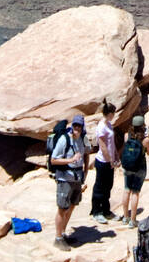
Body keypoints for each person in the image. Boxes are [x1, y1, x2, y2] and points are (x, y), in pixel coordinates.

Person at [51, 115, 90, 250]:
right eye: (75, 126)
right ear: (72, 126)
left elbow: (86, 153)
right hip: (64, 178)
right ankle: (58, 238)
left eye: (79, 126)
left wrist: (86, 170)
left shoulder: (82, 138)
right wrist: (70, 160)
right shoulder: (64, 139)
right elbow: (54, 160)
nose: (77, 128)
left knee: (72, 205)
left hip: (76, 178)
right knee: (62, 208)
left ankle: (63, 233)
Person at [90, 99, 119, 223]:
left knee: (108, 186)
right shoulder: (101, 126)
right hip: (103, 161)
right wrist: (110, 160)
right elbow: (102, 146)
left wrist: (116, 155)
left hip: (109, 161)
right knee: (100, 187)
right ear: (110, 113)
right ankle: (97, 211)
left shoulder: (109, 124)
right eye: (113, 113)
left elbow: (111, 143)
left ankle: (106, 210)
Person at [120, 114, 148, 227]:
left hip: (128, 166)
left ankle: (125, 217)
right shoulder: (145, 139)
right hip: (140, 167)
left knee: (127, 190)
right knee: (135, 192)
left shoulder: (127, 136)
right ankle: (133, 220)